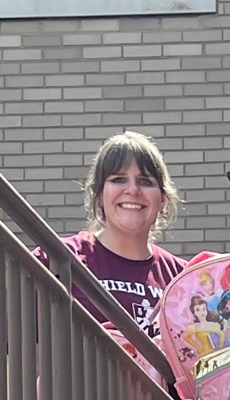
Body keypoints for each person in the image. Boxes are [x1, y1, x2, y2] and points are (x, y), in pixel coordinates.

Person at [60, 130, 185, 349]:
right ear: (99, 195)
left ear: (163, 199)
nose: (132, 190)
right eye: (119, 179)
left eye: (145, 181)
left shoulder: (182, 278)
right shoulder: (60, 259)